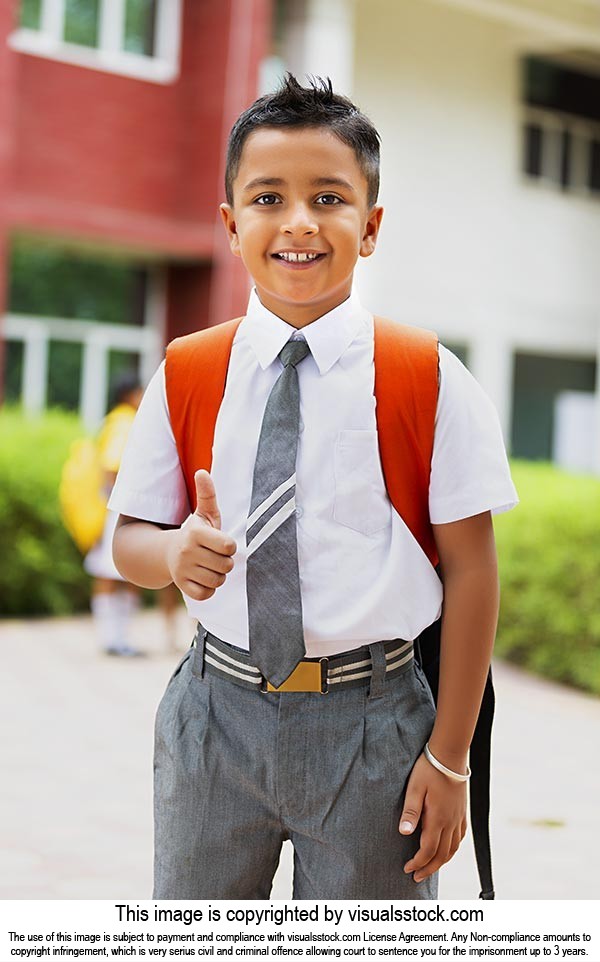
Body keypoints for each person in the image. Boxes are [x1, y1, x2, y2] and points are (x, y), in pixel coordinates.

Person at [109, 75, 518, 899]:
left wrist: (450, 757)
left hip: (376, 724)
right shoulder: (190, 369)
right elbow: (128, 542)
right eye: (268, 197)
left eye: (328, 197)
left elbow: (471, 571)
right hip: (215, 715)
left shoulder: (427, 377)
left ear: (369, 228)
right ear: (231, 225)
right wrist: (174, 553)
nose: (298, 220)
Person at [84, 372, 145, 657]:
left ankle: (113, 637)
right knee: (117, 573)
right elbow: (112, 467)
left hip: (113, 508)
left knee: (111, 572)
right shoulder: (124, 422)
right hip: (120, 508)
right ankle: (114, 638)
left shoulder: (112, 420)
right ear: (129, 395)